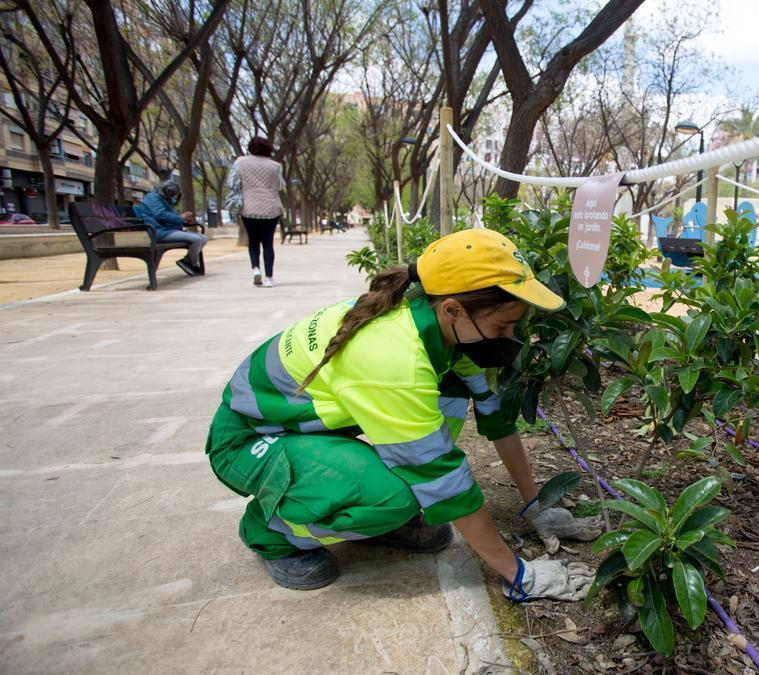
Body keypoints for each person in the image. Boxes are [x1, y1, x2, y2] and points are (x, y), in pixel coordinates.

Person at [204, 228, 601, 600]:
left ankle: (373, 511)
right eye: (502, 326)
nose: (508, 339)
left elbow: (497, 420)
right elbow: (444, 481)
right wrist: (519, 575)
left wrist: (537, 506)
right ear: (453, 310)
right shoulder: (396, 360)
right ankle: (270, 532)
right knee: (398, 495)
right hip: (250, 440)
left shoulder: (441, 329)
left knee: (447, 400)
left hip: (304, 426)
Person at [229, 136, 286, 287]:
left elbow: (232, 182)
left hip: (249, 207)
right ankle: (269, 278)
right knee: (268, 243)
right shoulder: (275, 166)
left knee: (253, 241)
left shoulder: (241, 162)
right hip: (270, 208)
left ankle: (255, 269)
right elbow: (280, 186)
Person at [134, 179, 206, 277]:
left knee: (203, 238)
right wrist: (181, 218)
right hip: (160, 232)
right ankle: (191, 264)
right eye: (172, 194)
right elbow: (161, 215)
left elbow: (170, 217)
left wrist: (184, 220)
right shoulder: (152, 198)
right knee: (196, 239)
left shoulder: (162, 199)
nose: (173, 197)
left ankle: (187, 261)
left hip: (169, 230)